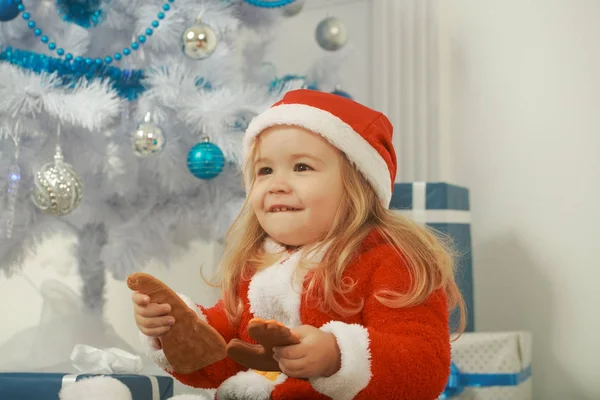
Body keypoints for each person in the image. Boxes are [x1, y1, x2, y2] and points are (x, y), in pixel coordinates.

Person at [132, 89, 465, 400]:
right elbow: (226, 360)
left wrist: (337, 356)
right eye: (264, 170)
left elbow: (424, 365)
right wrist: (178, 331)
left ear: (358, 186)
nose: (276, 184)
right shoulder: (257, 264)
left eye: (301, 166)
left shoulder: (390, 260)